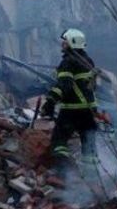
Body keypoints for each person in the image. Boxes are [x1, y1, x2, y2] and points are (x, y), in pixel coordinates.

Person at [41, 28, 100, 174]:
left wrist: (50, 102)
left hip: (72, 111)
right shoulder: (88, 61)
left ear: (72, 43)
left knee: (59, 141)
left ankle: (64, 174)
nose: (62, 45)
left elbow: (64, 85)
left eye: (65, 42)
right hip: (90, 111)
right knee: (89, 146)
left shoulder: (68, 62)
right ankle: (92, 179)